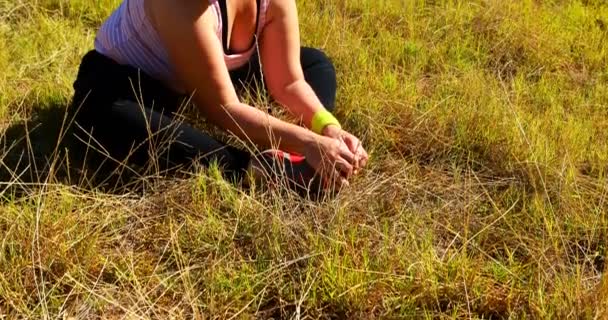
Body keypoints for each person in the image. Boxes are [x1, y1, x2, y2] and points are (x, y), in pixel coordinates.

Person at [69, 0, 368, 196]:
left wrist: (328, 128)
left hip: (206, 68)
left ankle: (311, 161)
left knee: (314, 63)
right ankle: (254, 169)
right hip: (129, 84)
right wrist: (306, 141)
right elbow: (224, 109)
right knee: (99, 115)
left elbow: (289, 82)